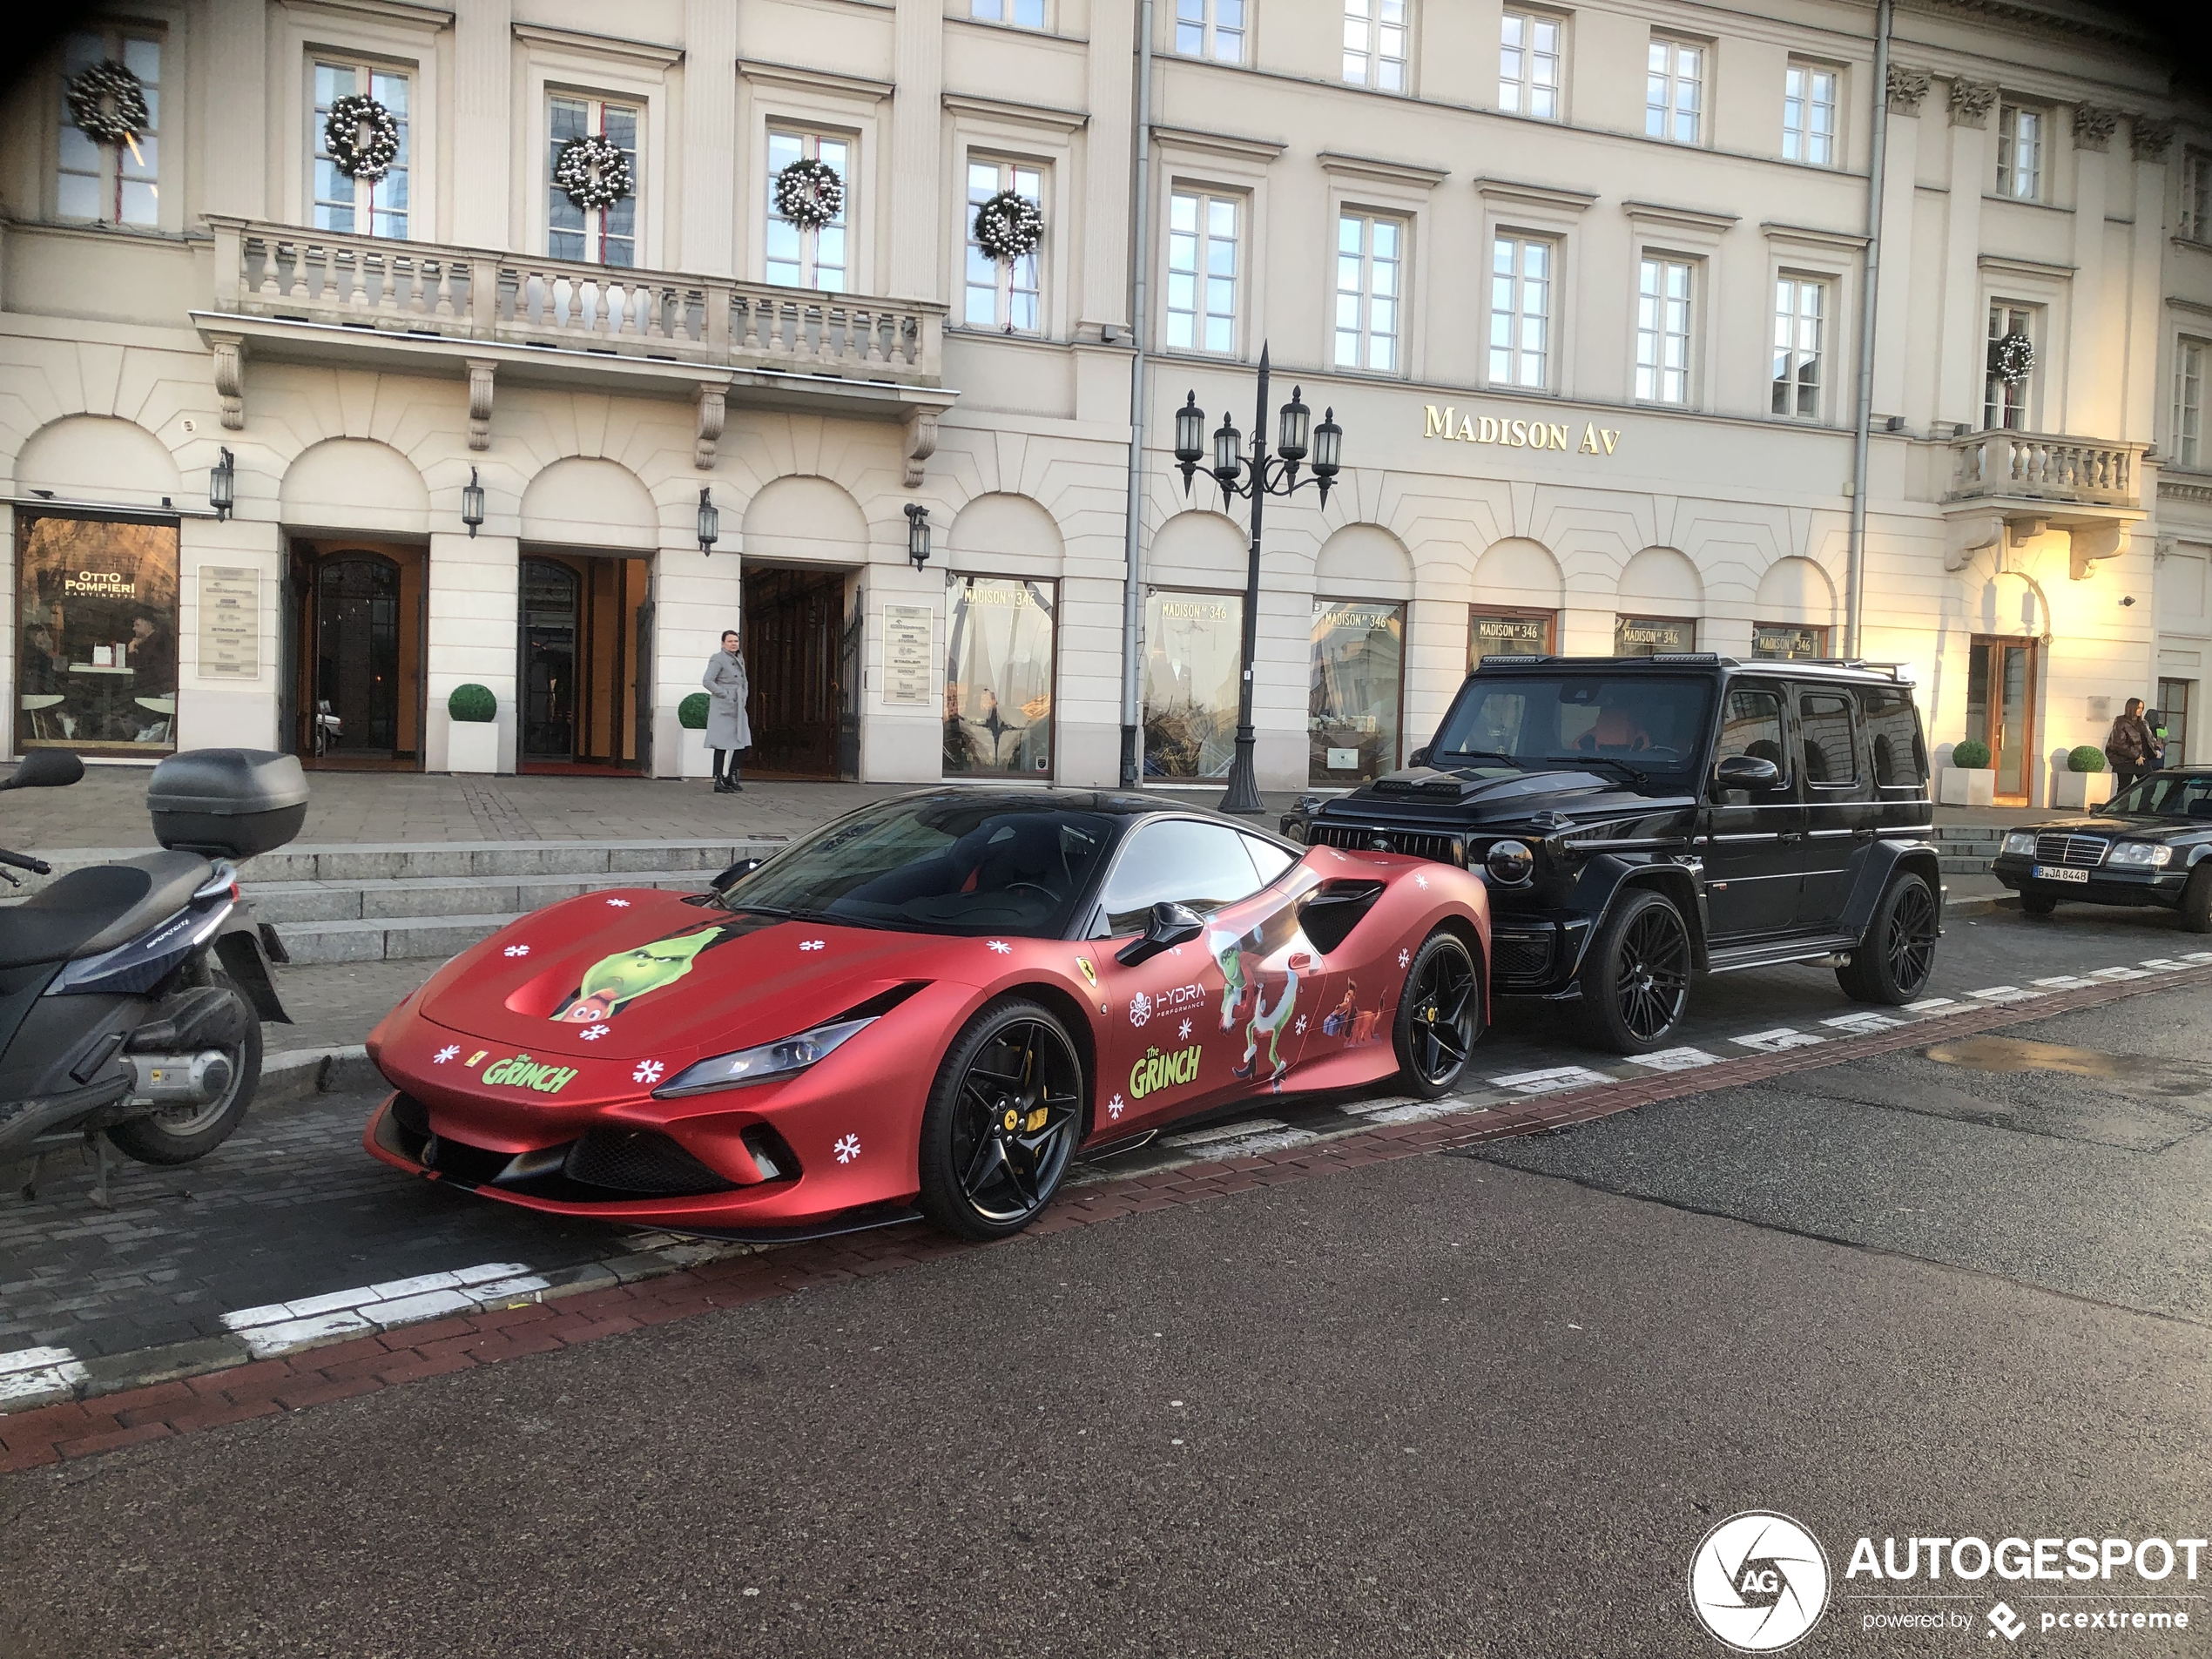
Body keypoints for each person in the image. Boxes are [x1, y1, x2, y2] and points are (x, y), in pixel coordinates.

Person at [702, 629, 752, 793]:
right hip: (724, 707)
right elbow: (708, 681)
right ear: (723, 643)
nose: (733, 644)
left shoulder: (739, 659)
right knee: (721, 745)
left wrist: (744, 696)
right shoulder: (718, 658)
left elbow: (743, 681)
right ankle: (718, 779)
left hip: (738, 706)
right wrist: (724, 694)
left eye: (736, 641)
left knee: (742, 743)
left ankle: (732, 775)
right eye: (730, 641)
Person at [2104, 697, 2159, 793]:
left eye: (2142, 708)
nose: (2140, 711)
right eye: (2138, 708)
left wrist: (2156, 749)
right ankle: (2120, 808)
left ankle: (2144, 807)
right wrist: (2136, 756)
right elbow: (2118, 743)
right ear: (2131, 708)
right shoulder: (2121, 722)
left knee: (2150, 785)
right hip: (2125, 761)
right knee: (2124, 788)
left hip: (2143, 759)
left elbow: (2148, 739)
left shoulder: (2143, 723)